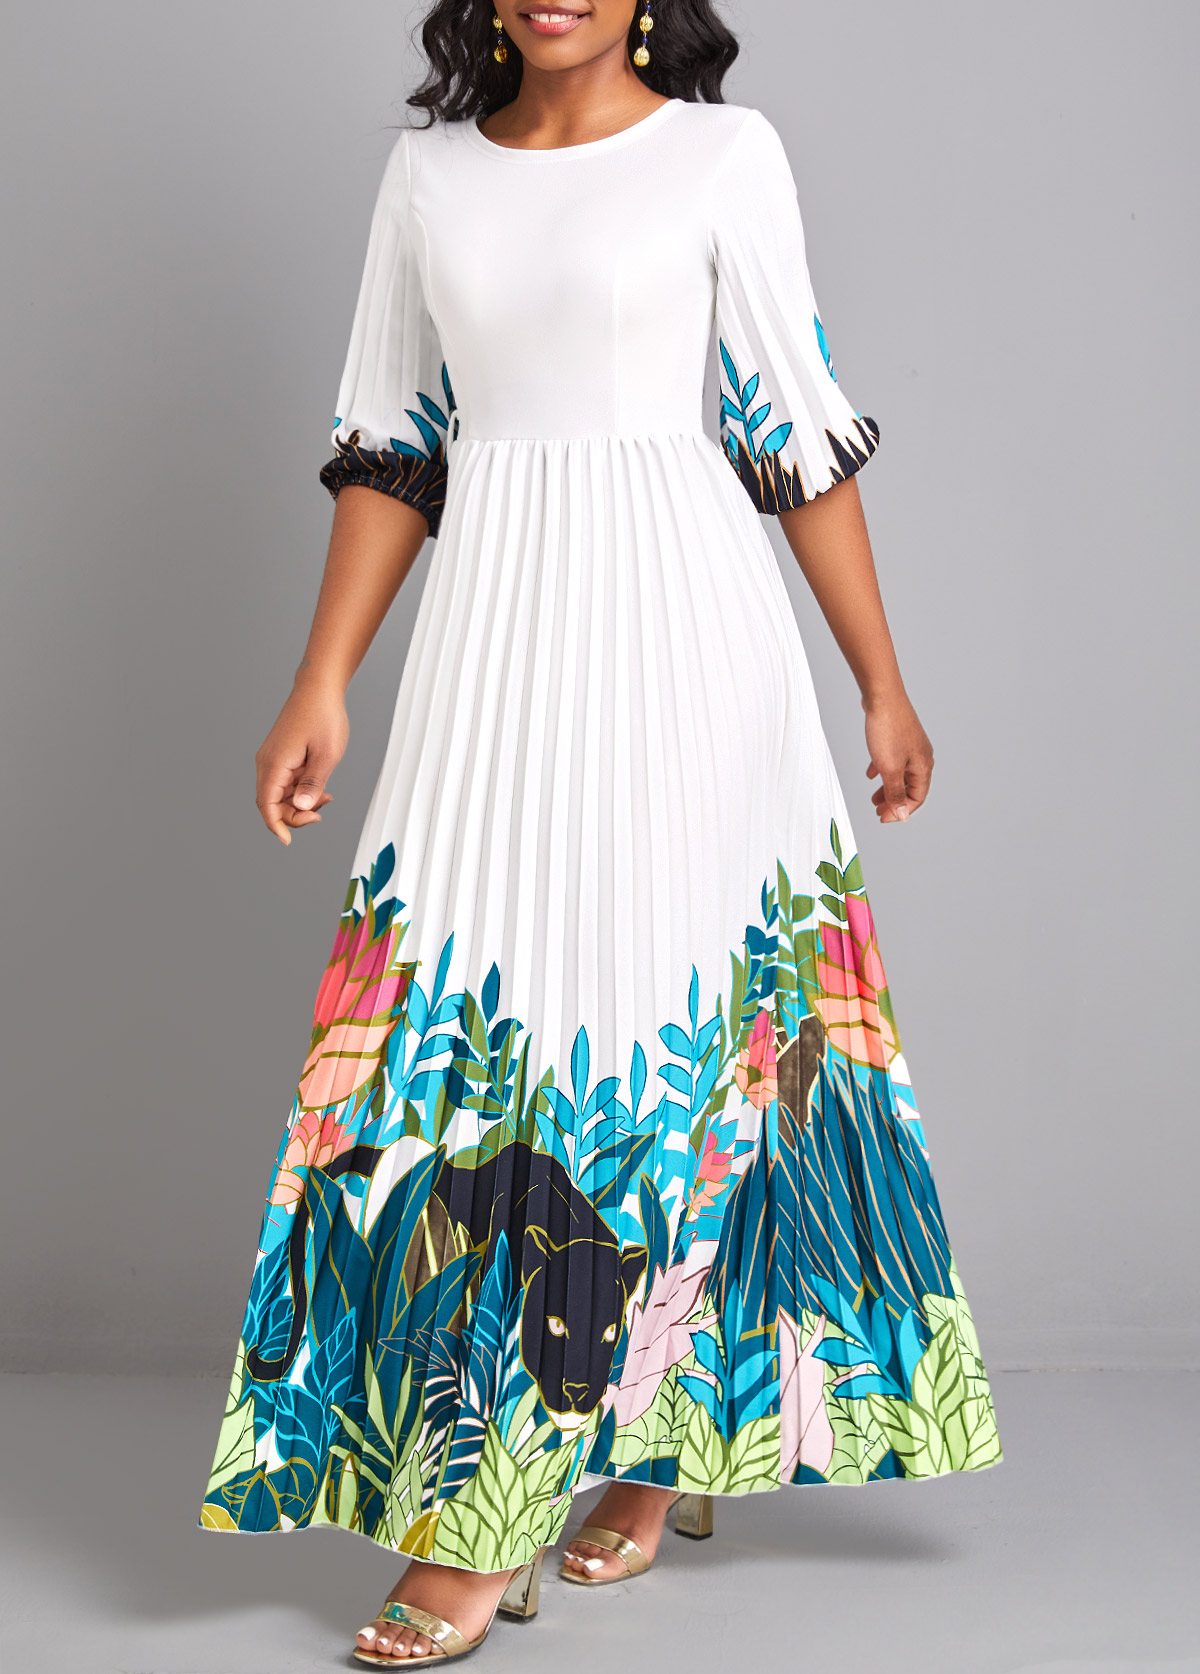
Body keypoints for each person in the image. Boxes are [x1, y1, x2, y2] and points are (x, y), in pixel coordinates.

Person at [198, 1, 1003, 1664]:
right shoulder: (428, 178)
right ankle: (536, 1464)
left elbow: (795, 434)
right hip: (495, 638)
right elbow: (395, 451)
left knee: (678, 1033)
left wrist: (882, 682)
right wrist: (320, 679)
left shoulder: (726, 155)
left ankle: (548, 1496)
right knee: (469, 1044)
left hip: (689, 639)